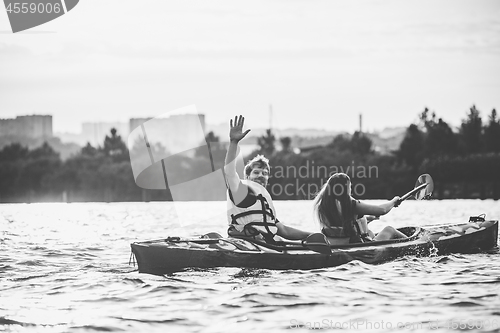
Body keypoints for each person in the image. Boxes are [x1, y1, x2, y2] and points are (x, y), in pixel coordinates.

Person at [224, 115, 312, 243]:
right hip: (247, 243)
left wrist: (312, 235)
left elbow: (285, 231)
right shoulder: (241, 191)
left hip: (266, 244)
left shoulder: (263, 201)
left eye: (265, 173)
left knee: (280, 239)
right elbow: (229, 172)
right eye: (256, 172)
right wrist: (233, 143)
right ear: (247, 177)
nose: (261, 175)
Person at [314, 172, 407, 245]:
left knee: (371, 232)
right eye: (350, 187)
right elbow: (382, 210)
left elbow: (344, 225)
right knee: (389, 229)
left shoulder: (322, 205)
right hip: (358, 245)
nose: (350, 190)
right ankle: (412, 243)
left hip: (335, 246)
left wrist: (368, 219)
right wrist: (393, 201)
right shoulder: (351, 204)